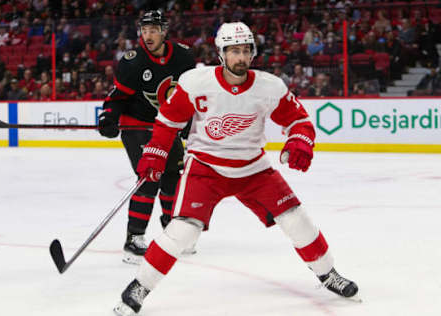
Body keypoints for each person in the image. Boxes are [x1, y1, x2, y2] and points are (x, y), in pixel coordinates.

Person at [113, 22, 359, 316]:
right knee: (182, 231)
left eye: (245, 51)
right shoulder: (196, 82)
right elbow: (168, 119)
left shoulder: (269, 86)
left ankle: (327, 273)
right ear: (221, 54)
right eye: (234, 51)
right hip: (205, 168)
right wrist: (155, 151)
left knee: (296, 219)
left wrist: (300, 141)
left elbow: (299, 121)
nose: (240, 58)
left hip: (254, 169)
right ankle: (139, 286)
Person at [97, 10, 196, 264]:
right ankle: (134, 239)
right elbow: (117, 97)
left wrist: (186, 122)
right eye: (144, 30)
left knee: (174, 174)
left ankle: (173, 231)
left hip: (165, 125)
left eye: (153, 30)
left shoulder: (183, 56)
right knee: (150, 177)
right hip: (136, 125)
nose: (148, 35)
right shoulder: (133, 62)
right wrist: (108, 117)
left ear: (164, 31)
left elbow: (187, 94)